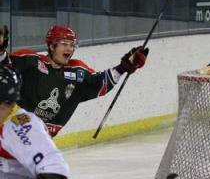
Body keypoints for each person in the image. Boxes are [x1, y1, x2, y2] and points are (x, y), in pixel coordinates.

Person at [0, 25, 148, 137]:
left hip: (39, 141)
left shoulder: (77, 71)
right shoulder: (31, 61)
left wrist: (124, 67)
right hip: (10, 132)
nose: (69, 49)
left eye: (72, 45)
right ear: (51, 46)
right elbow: (5, 66)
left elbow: (100, 82)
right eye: (64, 44)